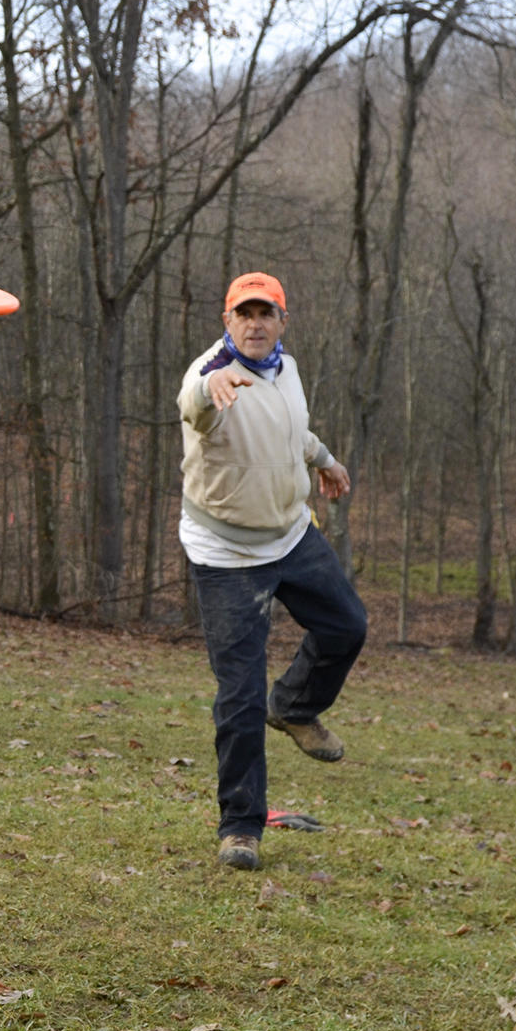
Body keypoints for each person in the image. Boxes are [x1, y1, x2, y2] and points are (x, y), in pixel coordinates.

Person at [175, 272, 365, 871]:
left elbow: (290, 428)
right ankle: (240, 827)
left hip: (289, 533)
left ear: (282, 321)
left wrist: (323, 459)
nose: (255, 323)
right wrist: (211, 387)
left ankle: (296, 706)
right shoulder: (211, 375)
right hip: (227, 554)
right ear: (226, 320)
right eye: (244, 313)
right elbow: (192, 407)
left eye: (266, 313)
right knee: (238, 695)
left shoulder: (286, 367)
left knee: (346, 626)